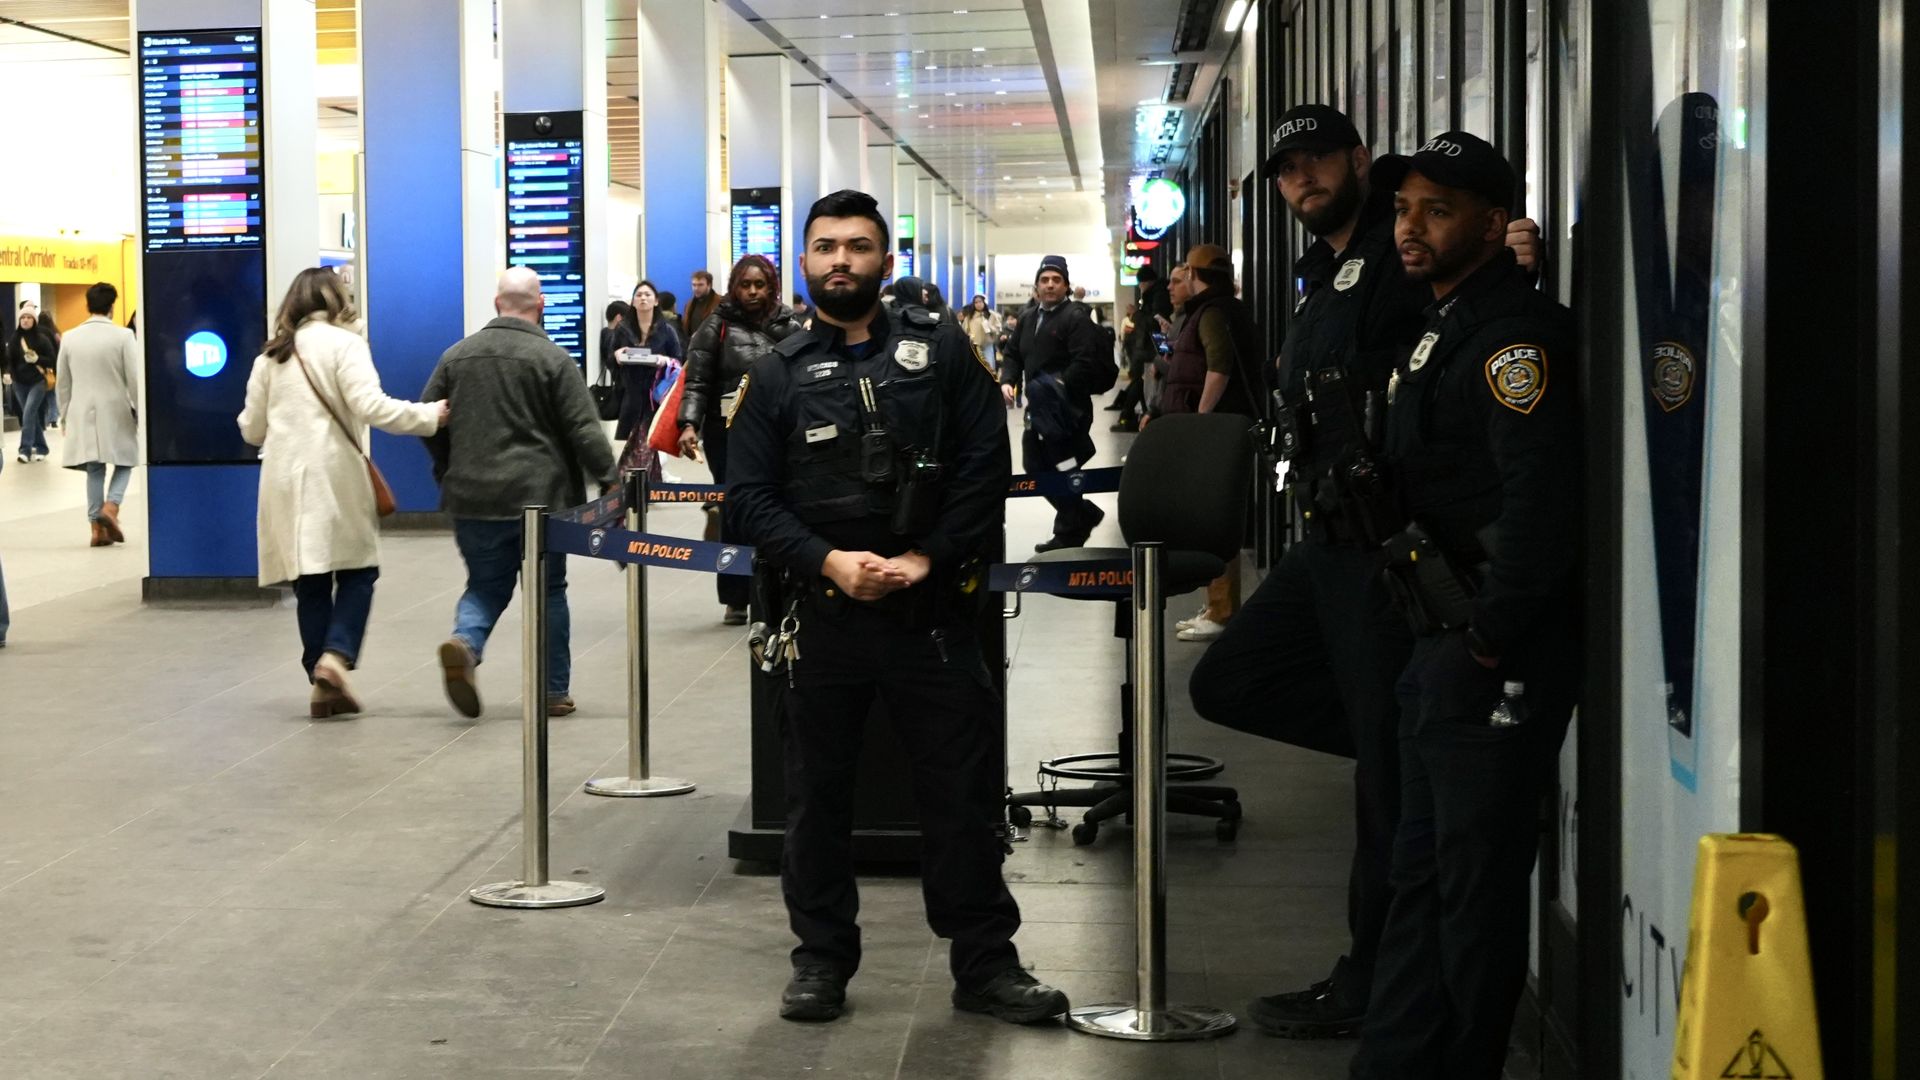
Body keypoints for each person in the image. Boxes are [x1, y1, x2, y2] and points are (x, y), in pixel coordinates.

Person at [1187, 104, 1542, 1041]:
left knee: (1389, 790)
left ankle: (1369, 978)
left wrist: (1518, 249)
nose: (1302, 179)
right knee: (1233, 678)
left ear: (1358, 160)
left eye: (1317, 161)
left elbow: (1477, 293)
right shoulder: (1325, 266)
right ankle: (1411, 750)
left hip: (1390, 548)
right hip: (1333, 537)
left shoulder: (1401, 255)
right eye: (1287, 169)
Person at [728, 189, 1069, 1027]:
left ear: (884, 259)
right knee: (817, 803)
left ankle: (985, 964)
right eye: (825, 247)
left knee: (961, 796)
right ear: (803, 262)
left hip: (932, 615)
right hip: (823, 617)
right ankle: (821, 961)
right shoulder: (772, 374)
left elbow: (985, 465)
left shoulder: (941, 349)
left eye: (857, 246)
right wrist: (830, 562)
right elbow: (747, 501)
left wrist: (926, 557)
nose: (840, 259)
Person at [1351, 131, 1582, 1080]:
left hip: (1493, 655)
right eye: (1403, 207)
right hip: (1438, 640)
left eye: (1436, 210)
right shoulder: (1439, 319)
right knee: (1422, 877)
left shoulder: (1515, 340)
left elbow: (1542, 506)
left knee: (1473, 893)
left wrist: (1486, 638)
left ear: (1495, 224)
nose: (1409, 227)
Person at [237, 267, 446, 717]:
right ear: (337, 300)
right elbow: (372, 408)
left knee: (309, 580)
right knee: (358, 569)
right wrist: (430, 415)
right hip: (332, 474)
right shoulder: (346, 345)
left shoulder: (270, 357)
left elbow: (251, 430)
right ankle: (336, 656)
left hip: (282, 478)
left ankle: (321, 681)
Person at [423, 267, 616, 720]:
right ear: (541, 306)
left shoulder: (456, 357)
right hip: (539, 497)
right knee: (548, 590)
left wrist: (448, 467)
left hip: (472, 496)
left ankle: (466, 642)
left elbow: (430, 416)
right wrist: (609, 479)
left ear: (496, 304)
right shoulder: (553, 359)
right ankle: (552, 691)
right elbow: (583, 428)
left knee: (485, 584)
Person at [676, 253, 800, 625]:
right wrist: (688, 424)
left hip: (777, 432)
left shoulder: (791, 325)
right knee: (733, 509)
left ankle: (781, 586)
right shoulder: (716, 326)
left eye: (759, 285)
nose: (752, 292)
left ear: (771, 287)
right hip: (726, 432)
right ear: (734, 287)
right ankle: (735, 596)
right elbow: (697, 380)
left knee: (779, 505)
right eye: (745, 284)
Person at [1157, 246, 1264, 643]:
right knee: (1212, 518)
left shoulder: (1214, 312)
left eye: (1183, 270)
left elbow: (1218, 367)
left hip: (1218, 430)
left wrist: (1201, 419)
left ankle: (1222, 610)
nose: (1177, 279)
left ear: (1197, 274)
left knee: (1215, 520)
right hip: (1223, 427)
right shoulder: (1216, 309)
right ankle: (1216, 604)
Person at [997, 255, 1118, 551]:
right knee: (1034, 464)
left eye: (1056, 280)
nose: (1050, 285)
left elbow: (1085, 360)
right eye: (1045, 280)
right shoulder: (1027, 318)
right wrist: (1007, 380)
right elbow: (1013, 354)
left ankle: (1068, 532)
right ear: (1037, 285)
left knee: (1064, 466)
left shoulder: (1075, 318)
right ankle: (1080, 515)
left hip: (1068, 412)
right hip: (1038, 411)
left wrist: (1061, 383)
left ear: (1065, 285)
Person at [56, 284, 142, 548]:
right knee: (126, 460)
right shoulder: (124, 336)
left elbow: (63, 381)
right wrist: (140, 409)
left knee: (94, 469)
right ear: (112, 307)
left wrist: (64, 414)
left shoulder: (70, 337)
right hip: (115, 407)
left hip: (81, 409)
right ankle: (112, 506)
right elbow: (134, 378)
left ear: (87, 305)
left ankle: (96, 528)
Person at [616, 280, 683, 444]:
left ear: (656, 301)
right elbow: (609, 359)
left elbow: (679, 360)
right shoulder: (623, 329)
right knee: (629, 445)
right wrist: (617, 355)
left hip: (657, 394)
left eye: (647, 295)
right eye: (638, 295)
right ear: (632, 301)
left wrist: (665, 361)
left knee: (653, 443)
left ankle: (654, 470)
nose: (643, 298)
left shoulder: (667, 330)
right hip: (630, 393)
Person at [1109, 264, 1171, 432]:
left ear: (1145, 282)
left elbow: (1155, 322)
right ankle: (1137, 415)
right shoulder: (1157, 294)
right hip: (1153, 346)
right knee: (1142, 381)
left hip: (1153, 346)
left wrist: (1135, 314)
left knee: (1142, 381)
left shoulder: (1158, 296)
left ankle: (1131, 416)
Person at [9, 304, 57, 463]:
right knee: (30, 416)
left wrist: (38, 359)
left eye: (29, 317)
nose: (25, 320)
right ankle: (42, 447)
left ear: (34, 320)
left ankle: (25, 450)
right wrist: (9, 374)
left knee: (29, 413)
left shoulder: (42, 339)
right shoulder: (15, 339)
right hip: (19, 383)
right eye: (22, 317)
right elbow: (10, 360)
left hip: (38, 381)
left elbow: (52, 360)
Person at [960, 295, 996, 371]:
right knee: (976, 367)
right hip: (974, 346)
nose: (978, 304)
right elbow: (964, 331)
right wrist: (970, 337)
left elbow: (997, 329)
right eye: (976, 302)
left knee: (989, 367)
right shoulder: (969, 317)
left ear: (984, 302)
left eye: (980, 301)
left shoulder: (991, 315)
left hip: (987, 345)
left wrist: (990, 327)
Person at [684, 269, 721, 338]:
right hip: (691, 345)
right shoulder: (689, 304)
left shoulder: (720, 303)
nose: (696, 288)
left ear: (709, 285)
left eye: (700, 285)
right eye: (694, 285)